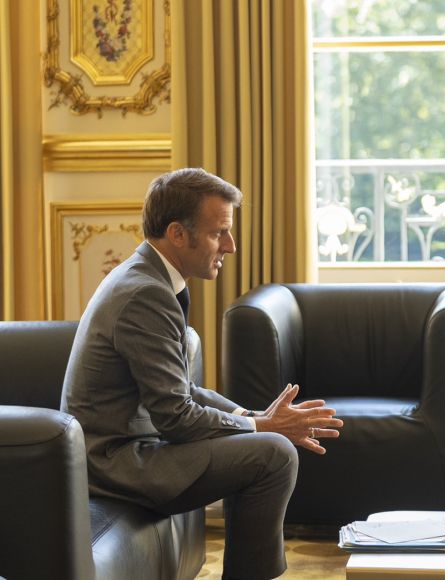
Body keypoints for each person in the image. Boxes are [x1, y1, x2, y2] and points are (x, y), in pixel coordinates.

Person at [62, 168, 344, 580]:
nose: (231, 245)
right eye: (219, 233)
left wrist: (252, 416)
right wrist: (260, 426)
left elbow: (185, 390)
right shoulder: (146, 293)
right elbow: (176, 418)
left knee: (265, 443)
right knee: (274, 453)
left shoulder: (154, 279)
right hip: (115, 463)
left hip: (132, 448)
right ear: (177, 233)